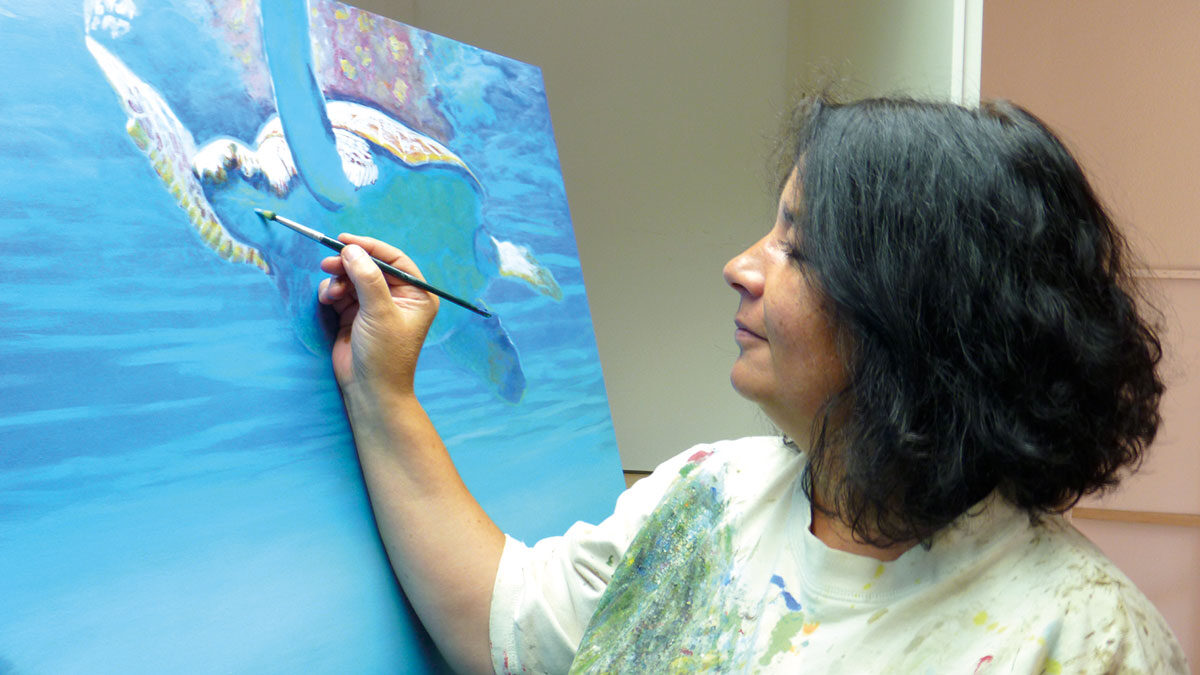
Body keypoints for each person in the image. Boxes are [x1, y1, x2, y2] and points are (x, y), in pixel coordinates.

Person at [316, 96, 1189, 674]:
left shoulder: (1086, 637)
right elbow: (506, 627)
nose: (740, 265)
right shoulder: (707, 496)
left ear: (913, 311)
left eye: (796, 247)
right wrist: (383, 392)